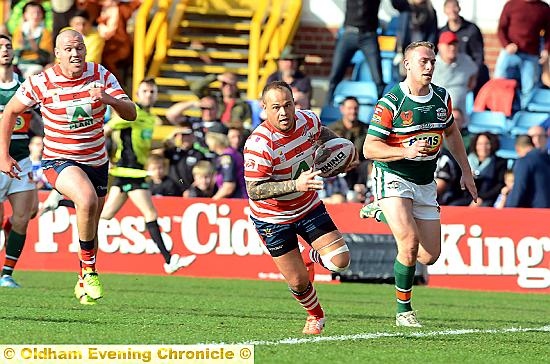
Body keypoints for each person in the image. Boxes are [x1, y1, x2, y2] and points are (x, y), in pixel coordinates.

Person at [0, 29, 137, 303]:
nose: (75, 54)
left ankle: (84, 274)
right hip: (58, 159)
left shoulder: (101, 74)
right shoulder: (41, 82)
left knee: (91, 223)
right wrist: (3, 155)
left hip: (97, 161)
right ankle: (88, 270)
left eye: (80, 48)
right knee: (85, 200)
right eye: (69, 49)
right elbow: (11, 112)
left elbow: (131, 112)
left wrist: (109, 100)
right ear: (58, 54)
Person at [359, 41, 477, 327]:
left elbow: (451, 132)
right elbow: (369, 149)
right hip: (393, 176)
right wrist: (405, 151)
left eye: (432, 62)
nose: (429, 66)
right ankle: (404, 310)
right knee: (409, 244)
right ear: (407, 64)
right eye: (423, 61)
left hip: (425, 182)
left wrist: (466, 171)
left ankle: (380, 211)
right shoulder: (391, 102)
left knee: (429, 255)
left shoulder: (441, 97)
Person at [243, 81, 355, 335]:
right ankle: (315, 315)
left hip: (307, 206)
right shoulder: (259, 144)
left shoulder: (308, 121)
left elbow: (321, 134)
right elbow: (254, 190)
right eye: (276, 108)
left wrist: (343, 152)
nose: (283, 113)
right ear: (264, 109)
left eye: (287, 105)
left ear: (295, 104)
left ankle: (309, 255)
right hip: (272, 217)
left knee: (340, 262)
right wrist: (296, 183)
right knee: (297, 281)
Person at [101, 78, 195, 274]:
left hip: (133, 171)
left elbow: (143, 148)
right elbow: (105, 131)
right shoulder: (130, 113)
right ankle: (169, 260)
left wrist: (165, 146)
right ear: (137, 94)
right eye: (145, 91)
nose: (149, 95)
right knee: (150, 214)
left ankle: (60, 202)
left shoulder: (151, 119)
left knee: (105, 215)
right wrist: (105, 156)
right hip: (129, 171)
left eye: (152, 92)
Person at [0, 34, 39, 288]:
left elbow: (39, 119)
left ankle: (7, 274)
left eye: (8, 46)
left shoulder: (25, 87)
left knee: (23, 217)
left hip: (21, 160)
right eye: (0, 47)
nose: (4, 50)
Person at [325, 0, 384, 105]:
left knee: (378, 78)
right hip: (349, 33)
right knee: (335, 75)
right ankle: (327, 106)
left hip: (369, 35)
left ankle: (383, 108)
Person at [494, 0, 550, 108]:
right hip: (510, 54)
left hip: (531, 55)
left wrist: (546, 50)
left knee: (529, 90)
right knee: (500, 83)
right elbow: (501, 29)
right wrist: (507, 45)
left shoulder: (544, 8)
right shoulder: (511, 5)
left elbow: (549, 32)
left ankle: (524, 116)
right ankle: (499, 112)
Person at [439, 0, 489, 96]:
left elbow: (479, 56)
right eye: (449, 8)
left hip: (471, 74)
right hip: (451, 76)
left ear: (459, 9)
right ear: (444, 11)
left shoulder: (472, 30)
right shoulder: (442, 32)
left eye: (455, 7)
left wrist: (474, 75)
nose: (452, 10)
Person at [431, 31, 477, 127]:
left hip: (460, 117)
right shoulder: (431, 64)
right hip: (436, 116)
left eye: (455, 45)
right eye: (448, 45)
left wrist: (471, 83)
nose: (452, 48)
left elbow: (474, 72)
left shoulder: (465, 61)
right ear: (440, 46)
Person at [505, 135, 550, 208]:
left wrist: (510, 207)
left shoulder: (524, 161)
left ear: (517, 149)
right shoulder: (546, 158)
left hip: (535, 213)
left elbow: (519, 189)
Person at [204, 123, 247, 200]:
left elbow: (228, 186)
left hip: (237, 202)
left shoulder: (227, 158)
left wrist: (211, 202)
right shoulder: (231, 153)